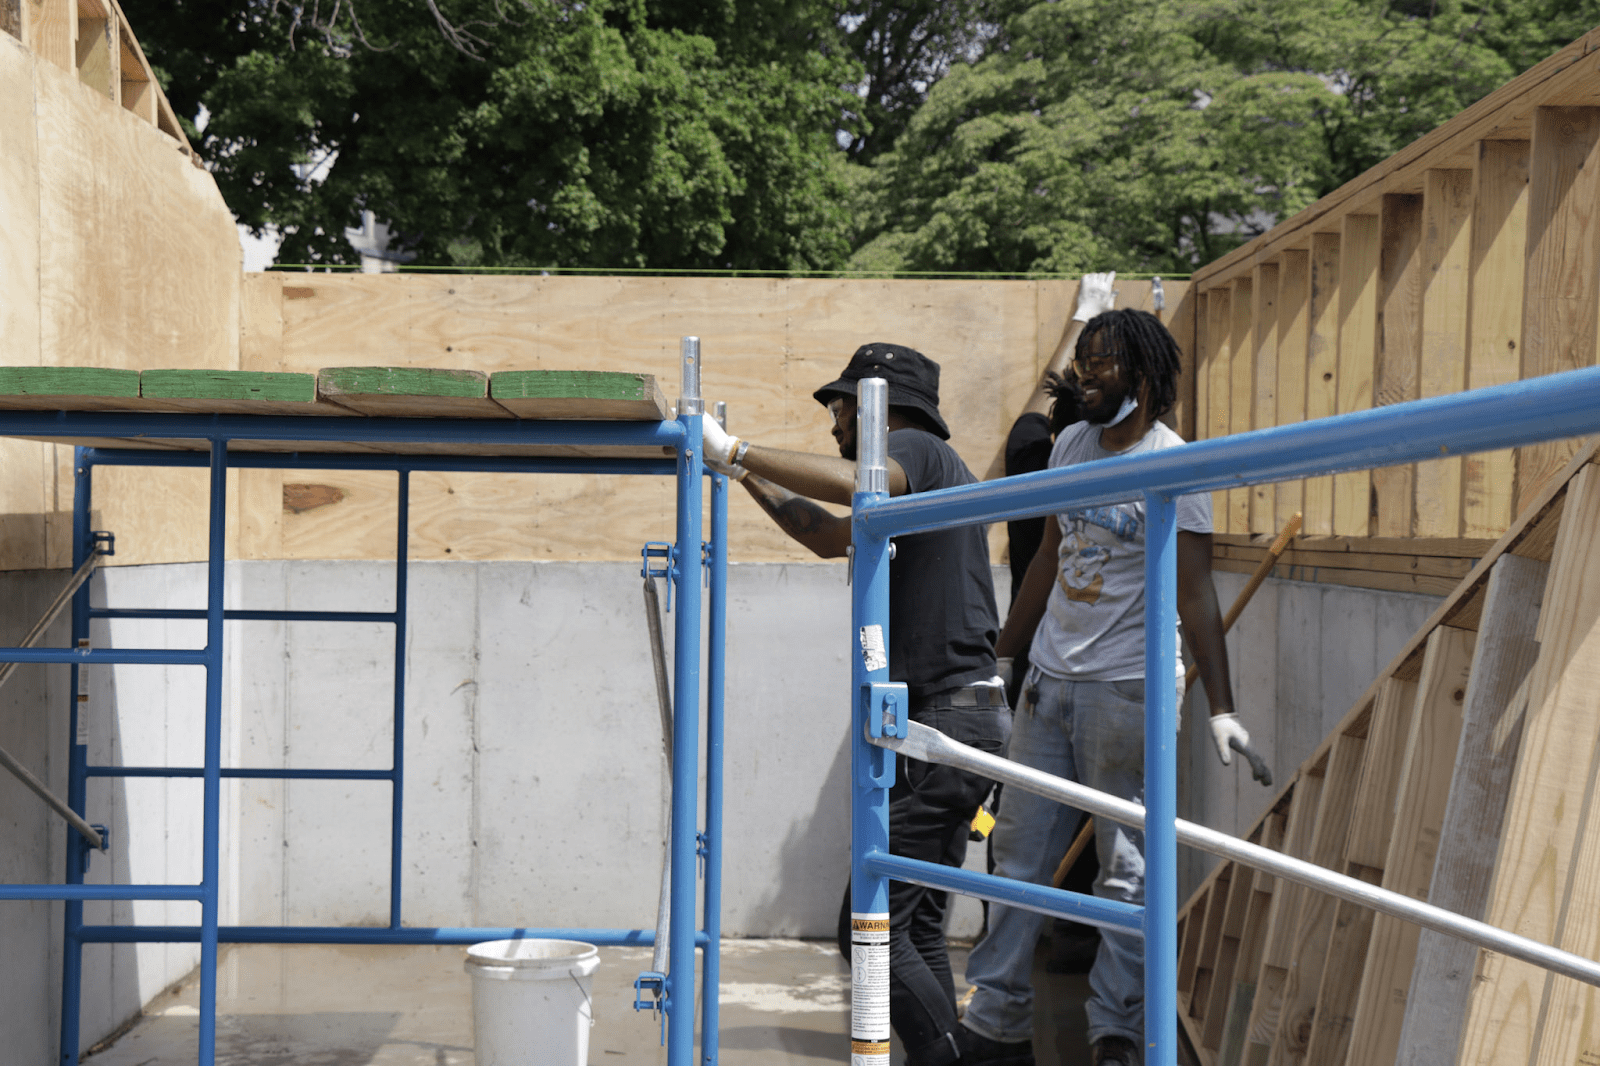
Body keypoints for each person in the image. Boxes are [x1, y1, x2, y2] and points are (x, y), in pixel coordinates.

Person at [699, 343, 1010, 1066]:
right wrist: (742, 473)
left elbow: (852, 484)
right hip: (957, 719)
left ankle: (946, 1059)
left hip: (945, 722)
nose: (834, 421)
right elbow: (829, 537)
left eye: (841, 406)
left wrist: (738, 446)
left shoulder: (917, 450)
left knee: (865, 928)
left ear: (881, 406)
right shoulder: (920, 479)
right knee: (916, 924)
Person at [959, 310, 1251, 1066]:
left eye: (1102, 363)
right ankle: (995, 1020)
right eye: (1082, 362)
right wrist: (1003, 657)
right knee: (1016, 855)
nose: (1085, 375)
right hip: (1049, 682)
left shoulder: (1175, 463)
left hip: (1128, 690)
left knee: (1125, 872)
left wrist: (1222, 706)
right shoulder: (1071, 444)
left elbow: (1195, 590)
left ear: (1143, 375)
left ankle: (1117, 1030)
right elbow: (1049, 556)